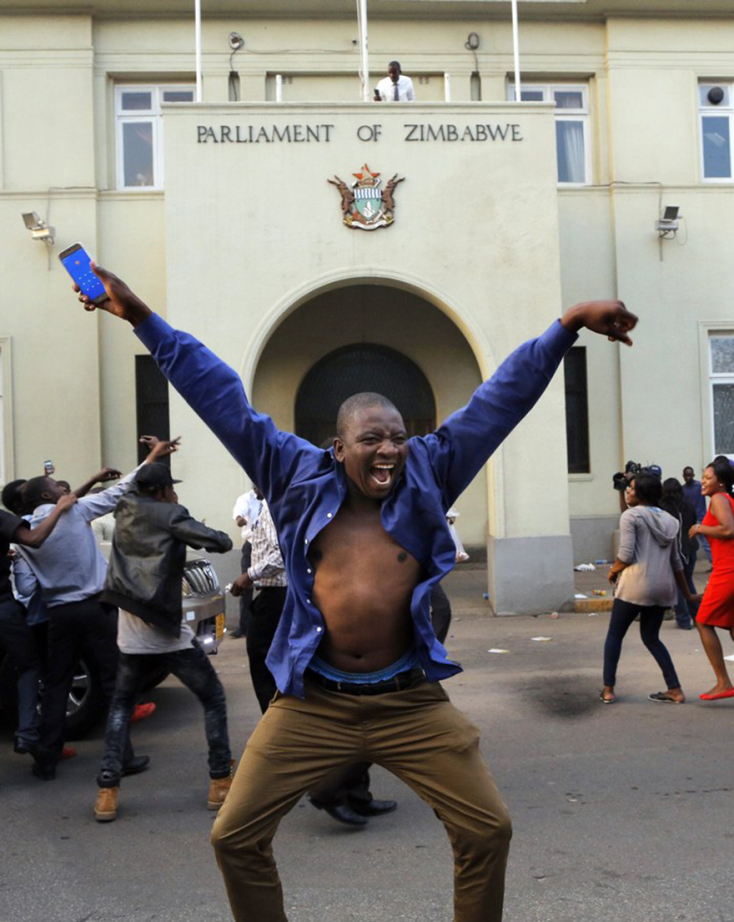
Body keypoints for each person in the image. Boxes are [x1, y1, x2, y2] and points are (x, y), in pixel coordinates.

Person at [75, 263, 636, 922]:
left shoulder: (430, 470)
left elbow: (501, 400)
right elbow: (216, 392)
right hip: (314, 702)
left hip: (409, 701)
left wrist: (567, 325)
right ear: (338, 447)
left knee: (488, 829)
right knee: (234, 836)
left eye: (397, 436)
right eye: (372, 439)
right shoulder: (290, 473)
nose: (390, 449)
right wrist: (142, 317)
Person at [16, 438, 176, 779]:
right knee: (114, 682)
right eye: (57, 487)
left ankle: (47, 759)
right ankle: (123, 757)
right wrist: (152, 455)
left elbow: (71, 502)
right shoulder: (76, 512)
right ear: (47, 495)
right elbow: (124, 488)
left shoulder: (26, 530)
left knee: (56, 685)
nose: (65, 489)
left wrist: (90, 481)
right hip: (95, 609)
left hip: (59, 614)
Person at [94, 454, 234, 822]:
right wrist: (184, 516)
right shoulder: (170, 514)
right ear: (161, 490)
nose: (174, 493)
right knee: (213, 698)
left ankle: (107, 790)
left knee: (121, 705)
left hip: (129, 625)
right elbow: (219, 542)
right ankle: (220, 778)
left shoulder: (124, 510)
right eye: (170, 488)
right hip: (164, 626)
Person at [601, 473, 697, 706]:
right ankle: (675, 689)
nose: (628, 491)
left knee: (615, 635)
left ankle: (608, 690)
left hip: (635, 585)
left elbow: (626, 554)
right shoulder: (670, 521)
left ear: (642, 493)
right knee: (652, 638)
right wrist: (687, 594)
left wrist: (613, 571)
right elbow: (676, 563)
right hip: (663, 588)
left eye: (632, 488)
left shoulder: (631, 516)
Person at [0, 490, 76, 754]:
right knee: (29, 665)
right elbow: (34, 539)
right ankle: (26, 734)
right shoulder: (2, 519)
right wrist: (60, 508)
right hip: (3, 608)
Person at [230, 494, 287, 713]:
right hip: (273, 593)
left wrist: (250, 575)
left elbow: (282, 554)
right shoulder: (267, 505)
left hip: (277, 595)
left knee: (261, 657)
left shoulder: (273, 507)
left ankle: (273, 718)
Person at [688, 457, 734, 701]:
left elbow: (728, 529)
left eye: (708, 478)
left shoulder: (718, 499)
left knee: (703, 621)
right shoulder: (726, 499)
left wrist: (699, 528)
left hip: (727, 572)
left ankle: (723, 682)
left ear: (721, 482)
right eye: (703, 477)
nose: (703, 481)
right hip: (728, 570)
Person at [660, 477, 699, 630]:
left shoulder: (662, 507)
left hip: (674, 550)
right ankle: (697, 617)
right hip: (690, 548)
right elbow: (693, 522)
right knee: (688, 582)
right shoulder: (688, 505)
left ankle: (683, 619)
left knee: (678, 585)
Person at [230, 488, 262, 638]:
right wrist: (239, 519)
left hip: (268, 546)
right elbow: (240, 511)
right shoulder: (247, 498)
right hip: (251, 545)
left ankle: (266, 625)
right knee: (246, 586)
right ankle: (244, 627)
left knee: (269, 587)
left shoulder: (272, 496)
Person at [682, 465, 712, 566]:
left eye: (690, 475)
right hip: (690, 520)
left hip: (701, 518)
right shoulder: (683, 489)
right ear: (683, 476)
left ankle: (714, 563)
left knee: (706, 543)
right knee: (689, 543)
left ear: (693, 475)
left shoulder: (700, 486)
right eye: (686, 475)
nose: (688, 477)